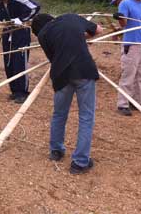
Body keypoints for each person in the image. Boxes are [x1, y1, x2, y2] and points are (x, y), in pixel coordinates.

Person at [31, 13, 103, 174]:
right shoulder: (71, 17)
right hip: (84, 71)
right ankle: (80, 162)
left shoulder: (42, 35)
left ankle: (56, 150)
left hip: (61, 75)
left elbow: (54, 57)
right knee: (86, 117)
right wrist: (81, 37)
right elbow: (98, 30)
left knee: (59, 114)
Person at [0, 0, 40, 104]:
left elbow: (34, 8)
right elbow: (3, 15)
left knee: (20, 61)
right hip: (8, 33)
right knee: (9, 61)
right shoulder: (1, 2)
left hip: (20, 32)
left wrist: (21, 19)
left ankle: (22, 92)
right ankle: (14, 91)